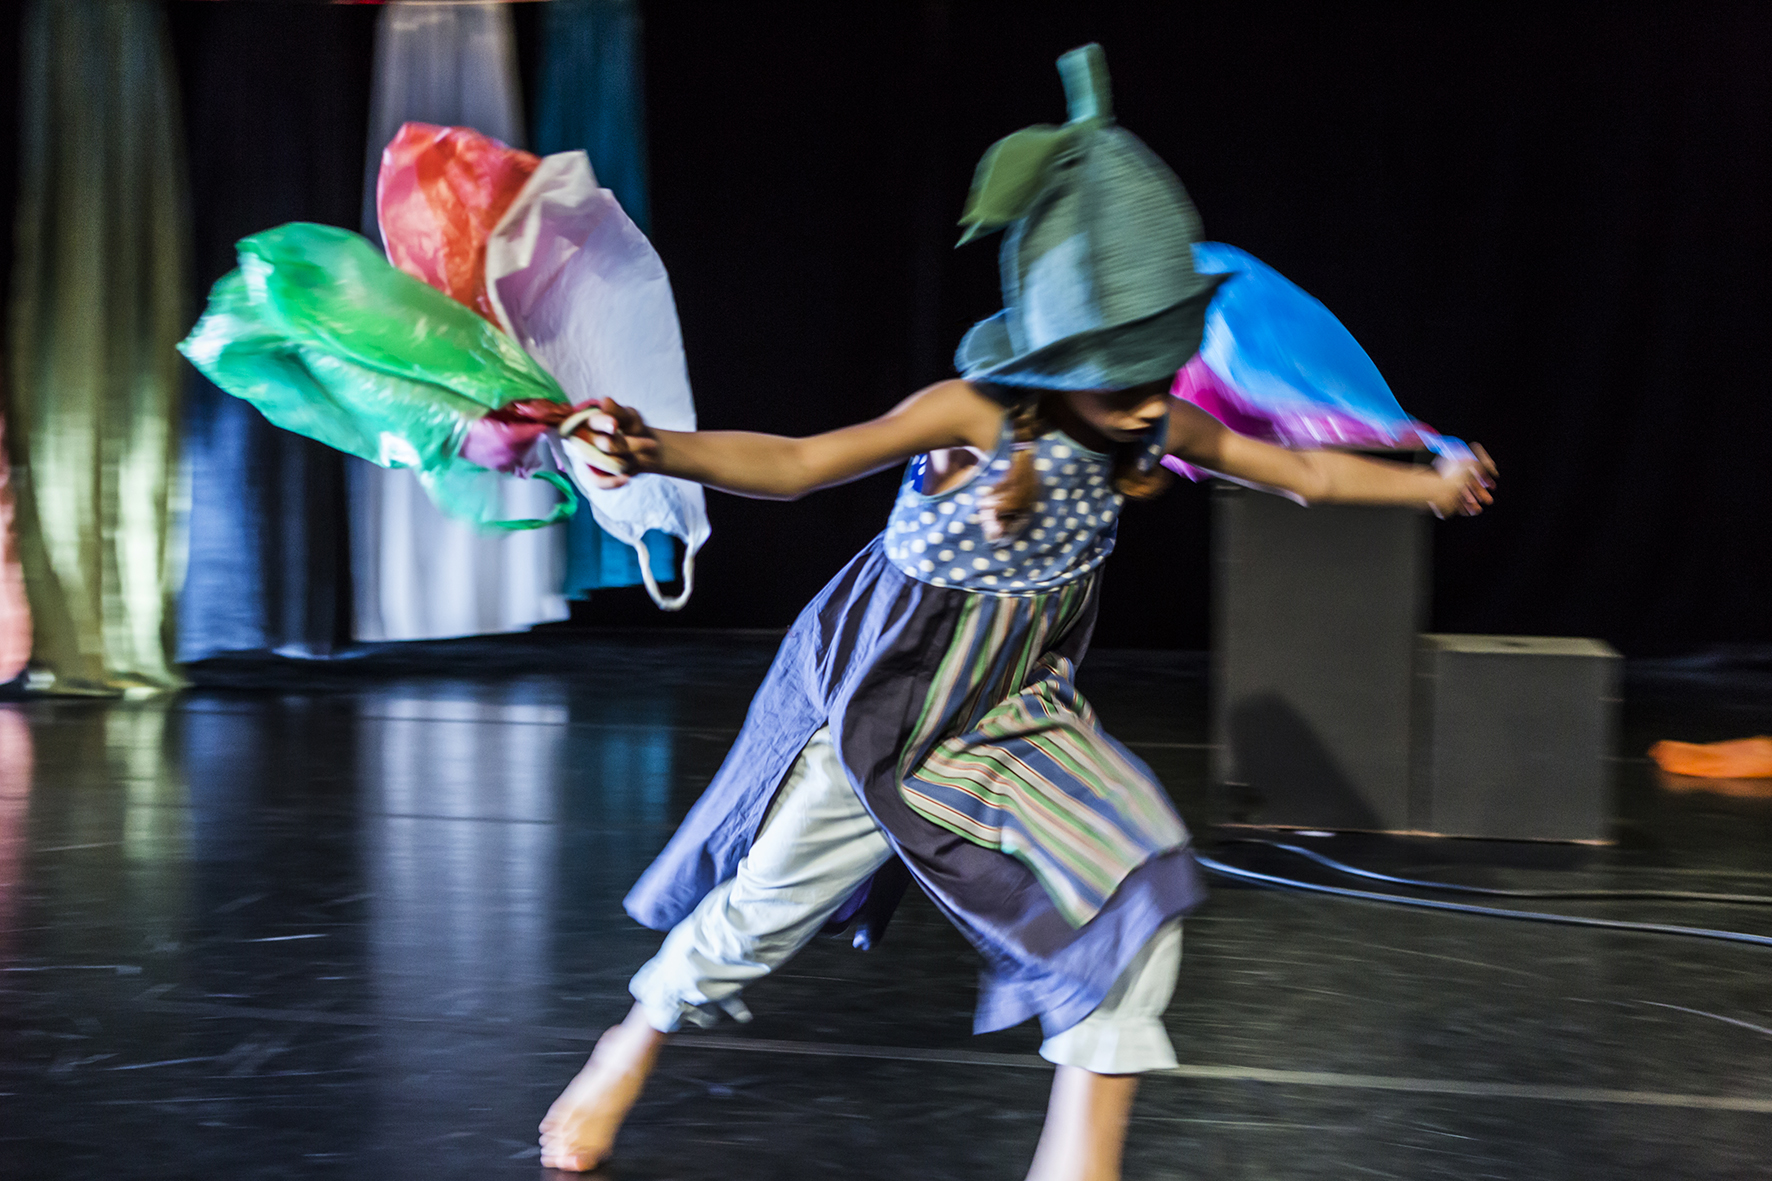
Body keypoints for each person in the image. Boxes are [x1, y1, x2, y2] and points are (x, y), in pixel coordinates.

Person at [539, 44, 1494, 1180]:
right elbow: (797, 462)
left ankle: (1075, 1154)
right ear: (1051, 357)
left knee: (1136, 872)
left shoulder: (1152, 426)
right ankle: (633, 1035)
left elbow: (1304, 473)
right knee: (759, 914)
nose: (1147, 395)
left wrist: (1425, 481)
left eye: (1159, 364)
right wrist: (653, 444)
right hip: (888, 708)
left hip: (1016, 711)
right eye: (1117, 372)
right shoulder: (974, 415)